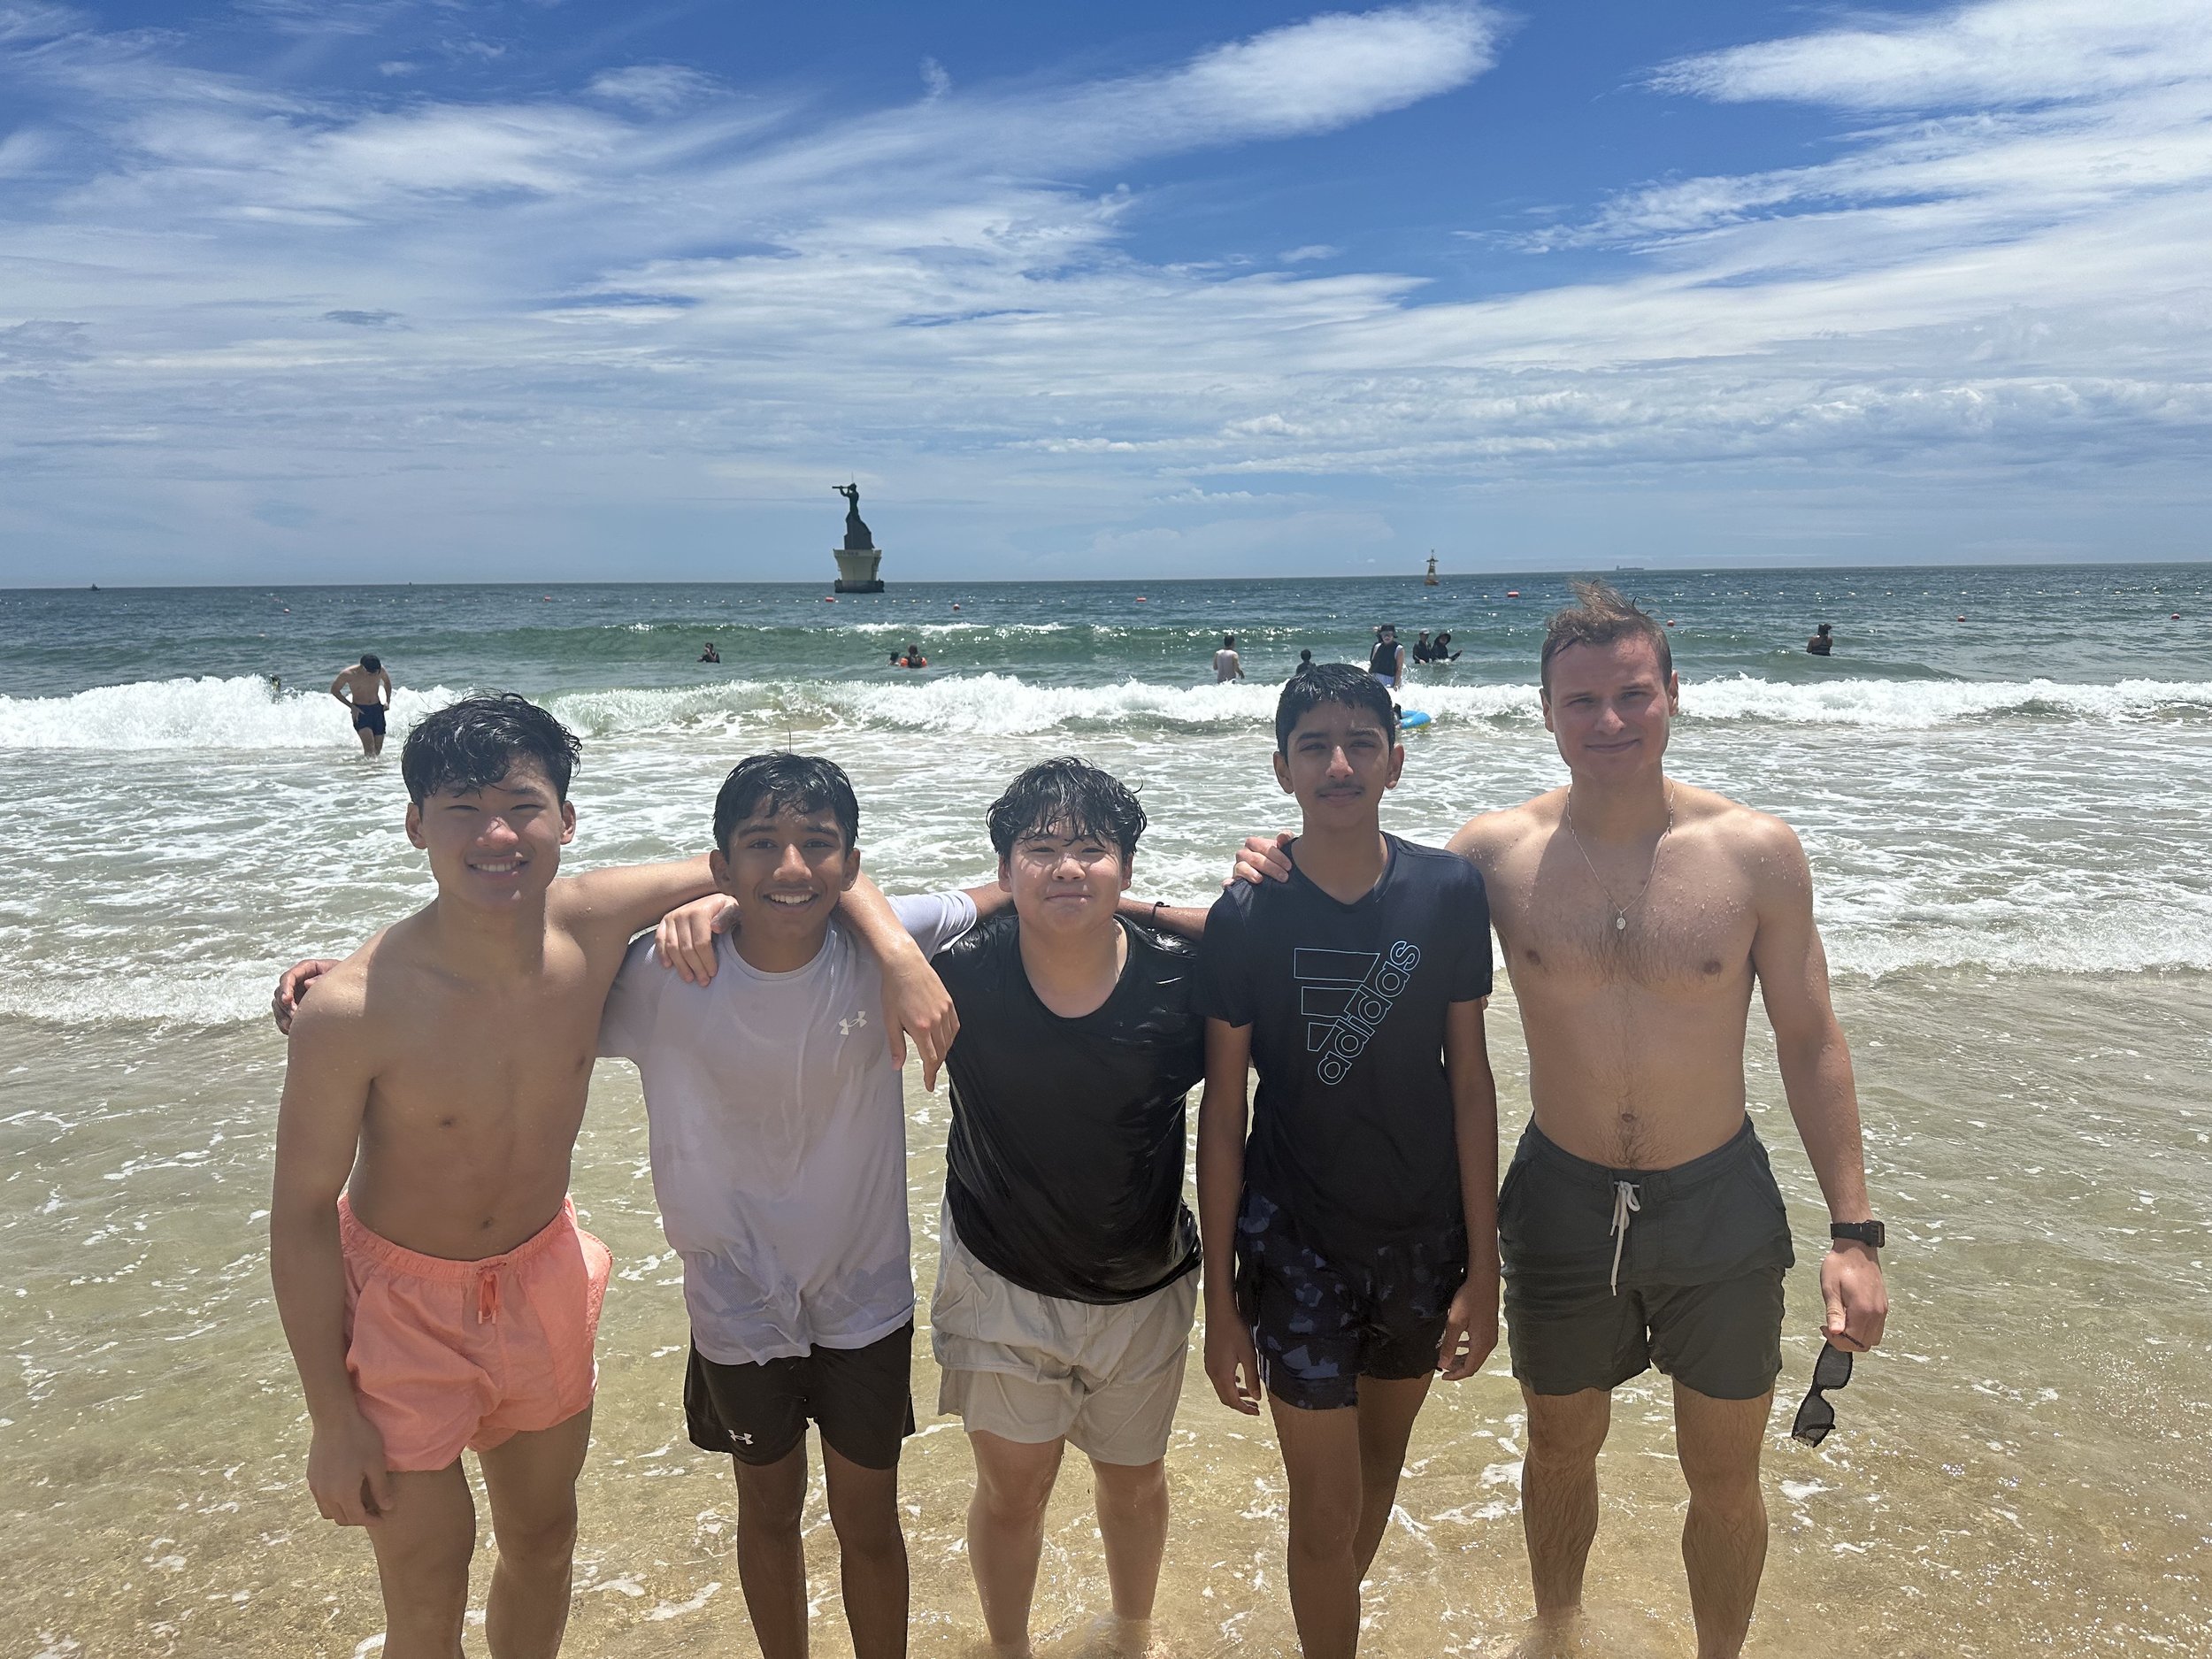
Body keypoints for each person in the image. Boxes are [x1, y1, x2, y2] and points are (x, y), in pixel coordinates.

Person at [1234, 584, 1888, 1659]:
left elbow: (1811, 1038)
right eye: (1582, 701)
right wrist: (1270, 866)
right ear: (1544, 710)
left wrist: (1853, 1234)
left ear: (1673, 695)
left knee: (1725, 1475)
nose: (1610, 721)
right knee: (1556, 1445)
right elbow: (1365, 907)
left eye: (1633, 695)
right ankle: (1558, 1635)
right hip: (1561, 1199)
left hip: (1717, 1198)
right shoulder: (1495, 855)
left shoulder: (1756, 852)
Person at [266, 696, 959, 1659]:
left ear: (567, 820)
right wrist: (329, 1419)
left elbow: (799, 869)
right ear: (416, 823)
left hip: (541, 1277)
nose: (497, 833)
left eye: (522, 804)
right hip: (404, 1307)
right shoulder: (351, 1009)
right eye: (462, 808)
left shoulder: (592, 927)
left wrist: (890, 952)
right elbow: (299, 1214)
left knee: (544, 1547)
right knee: (429, 1581)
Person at [602, 754, 997, 1659]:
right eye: (762, 846)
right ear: (721, 863)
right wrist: (351, 975)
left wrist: (898, 948)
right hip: (735, 1303)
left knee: (870, 1520)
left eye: (817, 846)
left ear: (852, 866)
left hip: (864, 1299)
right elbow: (516, 972)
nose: (790, 868)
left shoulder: (881, 945)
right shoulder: (660, 975)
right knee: (768, 1509)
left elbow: (1008, 891)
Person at [1195, 664, 1500, 1659]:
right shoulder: (1247, 912)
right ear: (1280, 768)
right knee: (1322, 1509)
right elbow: (1222, 1107)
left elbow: (1471, 1083)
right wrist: (1219, 1303)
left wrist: (1484, 1270)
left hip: (1421, 1239)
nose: (1338, 763)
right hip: (1295, 1245)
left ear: (1395, 763)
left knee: (1376, 1472)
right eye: (1314, 746)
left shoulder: (1449, 891)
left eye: (1360, 743)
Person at [331, 653, 393, 757]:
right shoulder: (348, 674)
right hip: (360, 711)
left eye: (375, 673)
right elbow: (334, 690)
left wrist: (388, 701)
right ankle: (369, 772)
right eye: (370, 673)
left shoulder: (380, 670)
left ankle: (373, 771)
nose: (374, 675)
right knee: (369, 749)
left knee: (377, 750)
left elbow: (387, 683)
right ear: (363, 667)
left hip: (377, 709)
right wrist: (351, 706)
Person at [1366, 626, 1403, 691]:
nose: (1386, 636)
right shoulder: (1377, 646)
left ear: (1393, 634)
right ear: (1381, 635)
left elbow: (1399, 668)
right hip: (1375, 678)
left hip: (1390, 679)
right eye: (1384, 634)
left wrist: (1396, 685)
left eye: (1389, 634)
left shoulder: (1399, 649)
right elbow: (1373, 664)